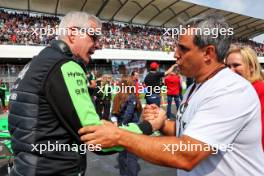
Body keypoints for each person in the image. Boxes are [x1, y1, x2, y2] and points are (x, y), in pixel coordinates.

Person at [79, 14, 264, 175]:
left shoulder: (230, 90)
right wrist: (162, 123)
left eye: (182, 48)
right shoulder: (195, 87)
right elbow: (187, 130)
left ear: (208, 53)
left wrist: (119, 135)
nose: (175, 54)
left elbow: (186, 154)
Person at [8, 11, 156, 176]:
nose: (98, 45)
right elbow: (97, 139)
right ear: (72, 33)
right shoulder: (66, 65)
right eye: (93, 36)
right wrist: (148, 126)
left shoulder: (36, 62)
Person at [226, 45, 264, 150]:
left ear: (251, 66)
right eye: (228, 66)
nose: (230, 70)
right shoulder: (233, 90)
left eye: (236, 65)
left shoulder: (260, 90)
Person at [111, 76, 142, 176]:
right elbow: (128, 114)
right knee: (131, 155)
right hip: (130, 128)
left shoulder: (117, 96)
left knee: (122, 154)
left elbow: (113, 113)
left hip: (121, 127)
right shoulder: (131, 96)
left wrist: (117, 125)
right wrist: (123, 126)